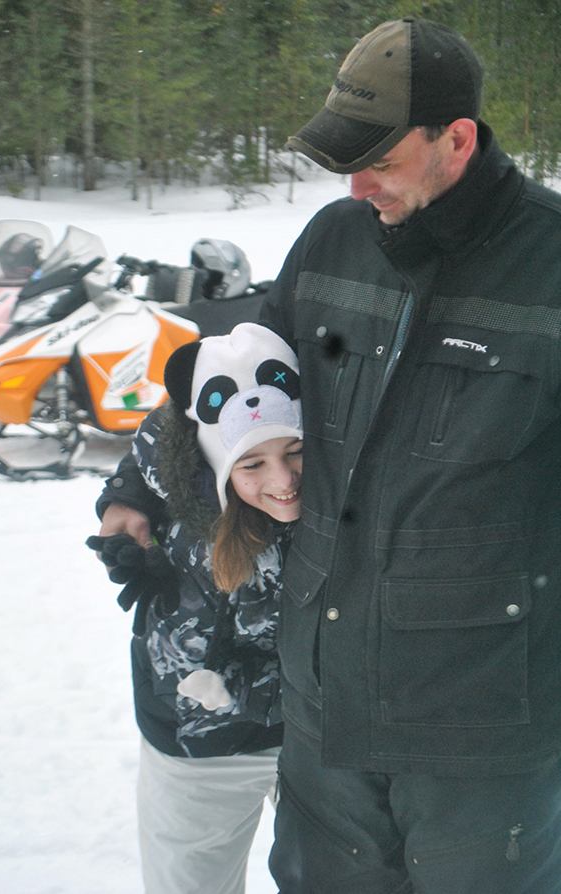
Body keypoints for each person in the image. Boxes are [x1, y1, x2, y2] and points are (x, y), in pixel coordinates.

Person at [255, 15, 561, 894]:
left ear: (455, 139)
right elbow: (245, 386)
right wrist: (143, 483)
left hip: (484, 745)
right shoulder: (331, 241)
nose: (357, 187)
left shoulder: (550, 263)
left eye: (380, 161)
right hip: (325, 725)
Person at [88, 322, 303, 894]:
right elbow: (174, 422)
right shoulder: (173, 483)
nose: (283, 481)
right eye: (251, 465)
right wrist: (126, 503)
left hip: (318, 734)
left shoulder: (337, 491)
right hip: (198, 739)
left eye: (296, 453)